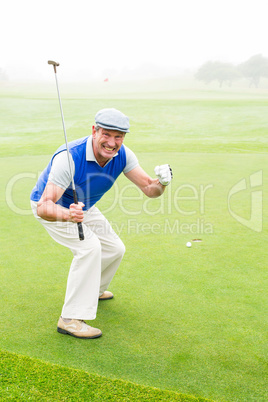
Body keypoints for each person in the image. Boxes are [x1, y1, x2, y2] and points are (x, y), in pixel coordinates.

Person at [30, 108, 172, 339]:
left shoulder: (123, 155)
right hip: (55, 209)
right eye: (106, 134)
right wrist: (67, 215)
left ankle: (92, 291)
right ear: (95, 131)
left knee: (115, 249)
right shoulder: (69, 157)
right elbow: (43, 207)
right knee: (89, 248)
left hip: (83, 207)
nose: (112, 142)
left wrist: (163, 183)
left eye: (119, 136)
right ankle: (70, 319)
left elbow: (149, 189)